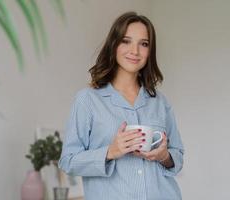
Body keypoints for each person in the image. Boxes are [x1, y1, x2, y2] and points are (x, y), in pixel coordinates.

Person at [59, 11, 184, 200]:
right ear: (114, 44)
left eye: (144, 44)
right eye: (126, 41)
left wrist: (164, 156)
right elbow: (68, 161)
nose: (135, 51)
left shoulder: (160, 102)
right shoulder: (88, 100)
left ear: (150, 51)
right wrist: (110, 152)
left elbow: (178, 156)